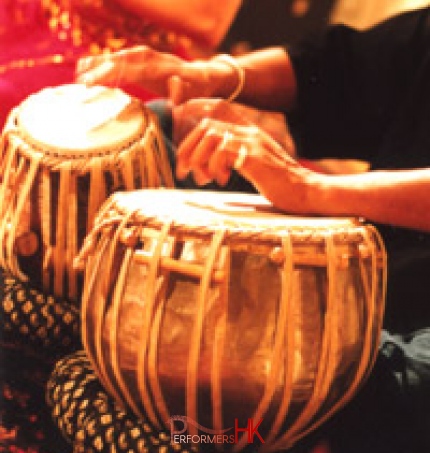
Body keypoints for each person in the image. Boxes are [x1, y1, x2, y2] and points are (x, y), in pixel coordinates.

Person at [75, 6, 430, 453]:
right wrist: (208, 76)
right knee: (167, 131)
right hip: (379, 253)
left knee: (387, 389)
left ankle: (238, 434)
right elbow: (343, 66)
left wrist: (313, 189)